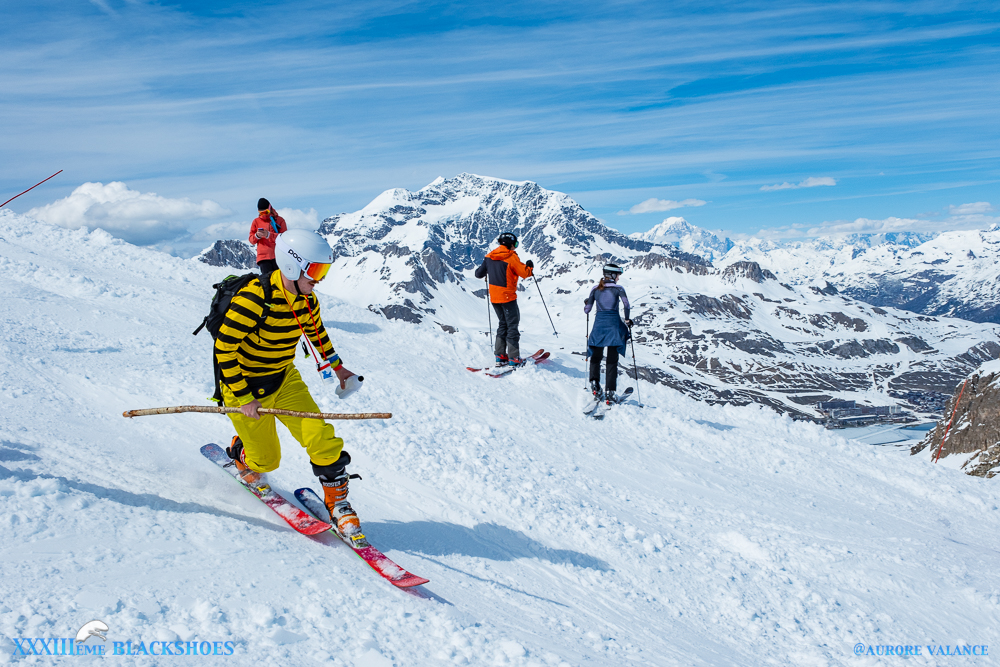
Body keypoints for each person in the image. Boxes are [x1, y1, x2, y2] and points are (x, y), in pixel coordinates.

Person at [215, 229, 364, 542]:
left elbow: (317, 334)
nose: (319, 280)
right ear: (292, 266)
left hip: (284, 379)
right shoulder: (253, 300)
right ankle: (242, 453)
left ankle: (338, 505)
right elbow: (224, 349)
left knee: (321, 437)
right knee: (266, 461)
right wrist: (243, 397)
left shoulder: (306, 299)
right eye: (316, 271)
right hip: (244, 388)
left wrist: (338, 368)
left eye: (323, 271)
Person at [474, 232, 534, 366]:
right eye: (515, 244)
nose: (515, 247)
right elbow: (525, 273)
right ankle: (514, 358)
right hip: (508, 297)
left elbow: (478, 274)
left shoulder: (489, 256)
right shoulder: (511, 257)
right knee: (512, 325)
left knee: (503, 324)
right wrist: (530, 267)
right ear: (510, 244)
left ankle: (500, 355)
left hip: (494, 298)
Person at [584, 264, 633, 404]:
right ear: (612, 275)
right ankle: (610, 393)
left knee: (596, 357)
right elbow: (626, 305)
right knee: (612, 360)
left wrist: (587, 303)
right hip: (614, 327)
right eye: (618, 275)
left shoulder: (595, 289)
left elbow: (587, 310)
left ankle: (595, 386)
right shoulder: (618, 289)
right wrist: (627, 320)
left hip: (599, 327)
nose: (618, 278)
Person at [249, 198, 287, 275]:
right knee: (267, 280)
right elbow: (251, 240)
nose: (264, 215)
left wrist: (269, 235)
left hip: (278, 255)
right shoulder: (256, 222)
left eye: (266, 212)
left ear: (270, 208)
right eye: (261, 213)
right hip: (263, 258)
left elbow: (284, 238)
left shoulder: (279, 220)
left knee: (279, 279)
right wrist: (257, 236)